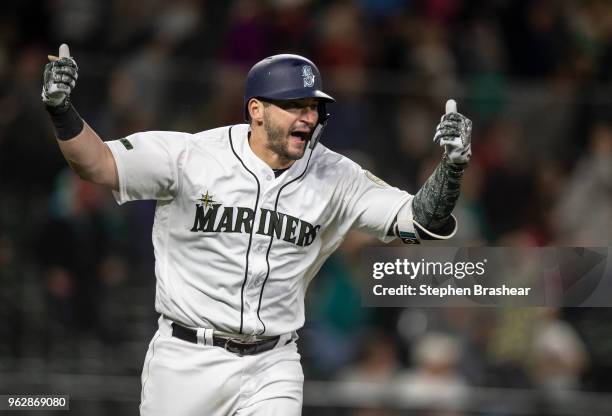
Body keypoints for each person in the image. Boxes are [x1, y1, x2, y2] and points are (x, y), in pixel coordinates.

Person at [41, 44, 472, 416]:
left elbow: (419, 221)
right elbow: (96, 164)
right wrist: (61, 109)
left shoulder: (337, 176)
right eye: (295, 105)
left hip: (274, 362)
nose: (308, 116)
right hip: (186, 359)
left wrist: (450, 170)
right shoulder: (191, 156)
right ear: (257, 110)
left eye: (314, 107)